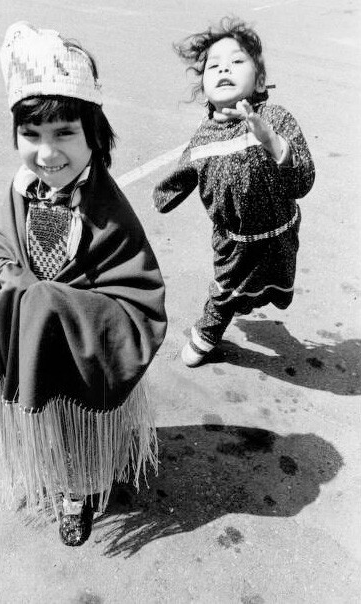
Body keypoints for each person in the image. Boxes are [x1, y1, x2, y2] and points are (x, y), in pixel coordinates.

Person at [0, 22, 167, 546]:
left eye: (64, 134)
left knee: (87, 436)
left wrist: (60, 306)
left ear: (94, 133)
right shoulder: (21, 191)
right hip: (36, 350)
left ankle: (84, 488)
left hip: (85, 358)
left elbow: (137, 295)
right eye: (31, 136)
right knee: (51, 428)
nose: (47, 154)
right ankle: (58, 478)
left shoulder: (107, 208)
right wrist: (7, 286)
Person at [153, 17, 315, 367]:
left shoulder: (276, 118)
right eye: (214, 65)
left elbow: (303, 181)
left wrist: (272, 142)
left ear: (258, 81)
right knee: (225, 294)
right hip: (233, 243)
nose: (224, 67)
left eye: (237, 61)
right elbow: (177, 179)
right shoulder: (202, 139)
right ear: (205, 87)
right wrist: (164, 195)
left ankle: (263, 307)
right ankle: (208, 334)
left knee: (277, 283)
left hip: (281, 232)